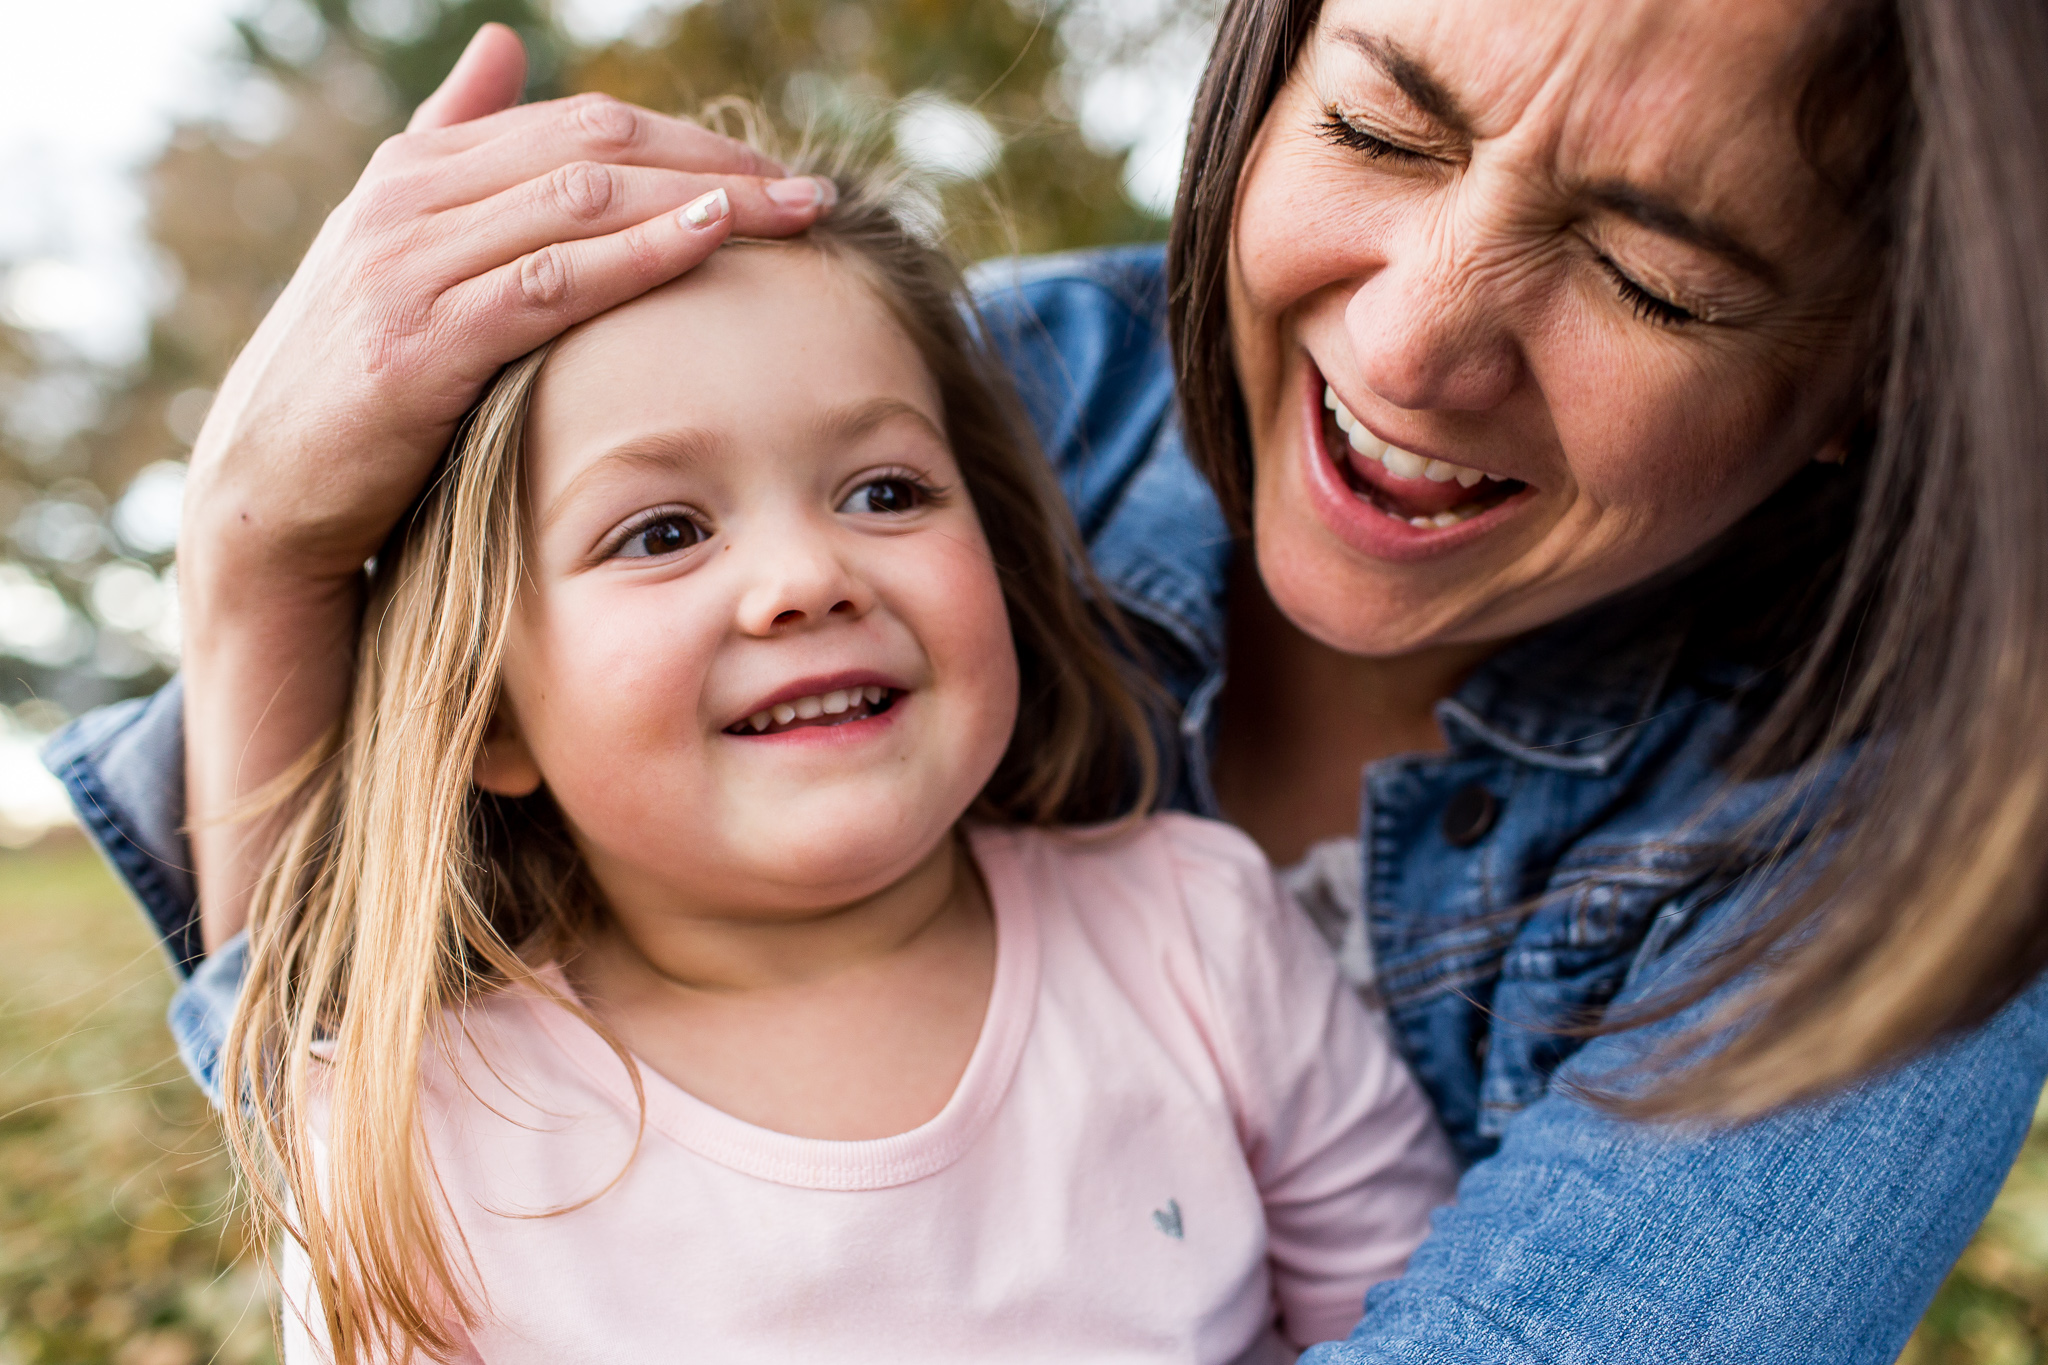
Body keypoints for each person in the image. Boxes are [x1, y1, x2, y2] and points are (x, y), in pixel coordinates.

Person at [41, 0, 2048, 1359]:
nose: (1420, 347)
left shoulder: (1188, 935)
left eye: (1655, 278)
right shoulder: (431, 1079)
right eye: (1371, 129)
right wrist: (261, 547)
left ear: (1869, 383)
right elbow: (323, 957)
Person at [219, 140, 1457, 1364]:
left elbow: (1426, 1331)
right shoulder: (413, 1125)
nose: (807, 578)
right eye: (661, 531)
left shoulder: (1199, 932)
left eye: (883, 493)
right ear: (484, 714)